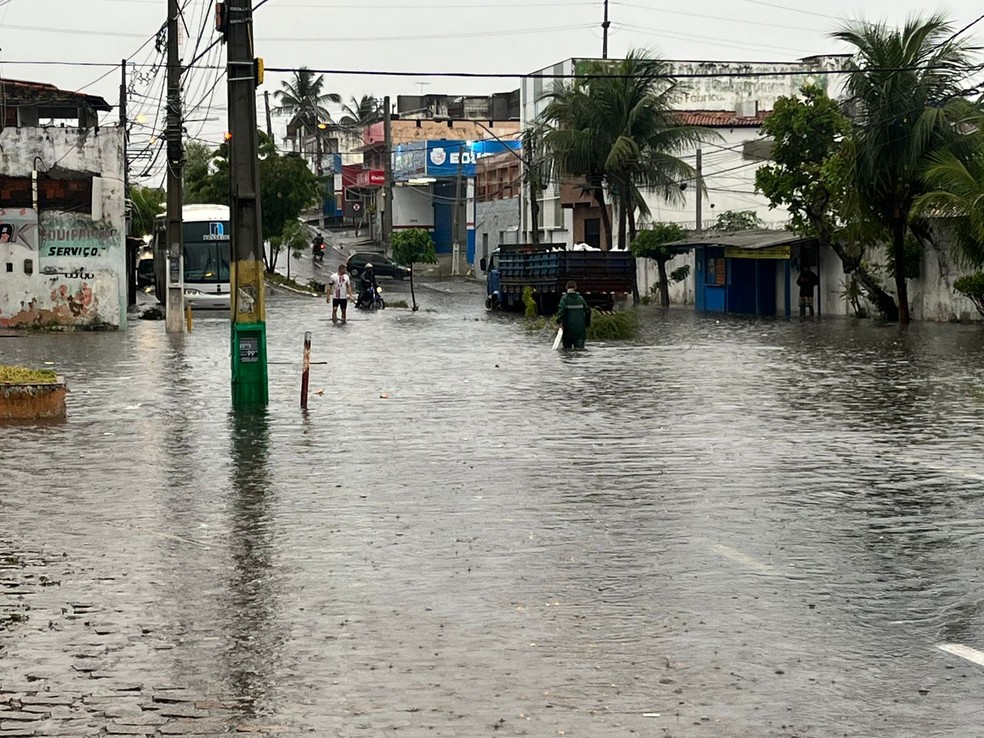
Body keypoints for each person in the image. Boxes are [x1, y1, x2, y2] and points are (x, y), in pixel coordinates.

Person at [555, 281, 591, 349]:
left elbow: (560, 312)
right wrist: (587, 324)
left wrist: (558, 323)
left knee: (567, 351)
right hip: (580, 331)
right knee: (580, 352)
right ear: (575, 288)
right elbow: (588, 311)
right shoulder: (580, 299)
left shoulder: (564, 299)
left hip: (568, 331)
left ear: (566, 288)